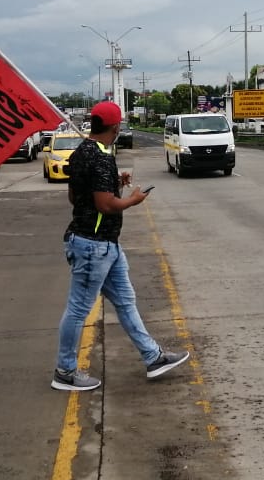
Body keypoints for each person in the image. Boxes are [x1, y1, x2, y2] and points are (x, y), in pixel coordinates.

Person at [52, 101, 189, 392]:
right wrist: (132, 200)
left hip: (104, 246)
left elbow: (77, 198)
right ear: (115, 127)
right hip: (93, 246)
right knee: (78, 309)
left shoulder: (82, 154)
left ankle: (153, 357)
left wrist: (114, 182)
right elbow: (105, 204)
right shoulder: (100, 157)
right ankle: (65, 371)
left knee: (126, 301)